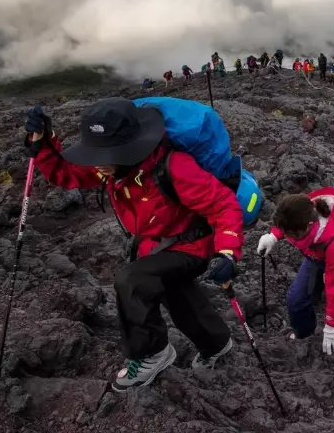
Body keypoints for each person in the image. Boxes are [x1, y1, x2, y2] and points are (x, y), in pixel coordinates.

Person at [25, 100, 243, 391]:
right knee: (172, 290)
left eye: (105, 153)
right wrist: (42, 144)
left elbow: (222, 204)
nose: (97, 161)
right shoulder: (112, 166)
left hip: (192, 246)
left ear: (128, 149)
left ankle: (152, 353)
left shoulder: (174, 167)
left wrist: (228, 251)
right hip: (157, 245)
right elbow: (66, 174)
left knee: (132, 280)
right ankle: (216, 343)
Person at [257, 190, 334, 355]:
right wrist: (273, 236)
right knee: (296, 299)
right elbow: (288, 219)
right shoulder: (302, 210)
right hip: (315, 256)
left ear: (308, 226)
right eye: (285, 232)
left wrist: (331, 324)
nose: (288, 237)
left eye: (291, 234)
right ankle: (304, 333)